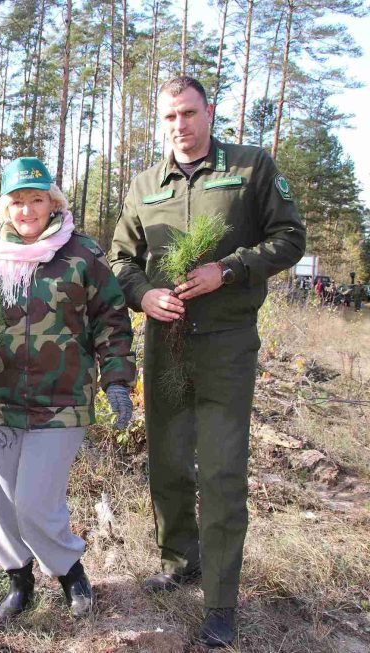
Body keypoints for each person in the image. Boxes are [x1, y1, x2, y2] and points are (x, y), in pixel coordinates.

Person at [110, 76, 305, 648]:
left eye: (190, 113)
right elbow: (121, 257)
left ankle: (221, 602)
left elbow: (290, 237)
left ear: (209, 111)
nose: (180, 126)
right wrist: (143, 294)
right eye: (170, 117)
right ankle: (180, 561)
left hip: (225, 343)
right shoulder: (146, 183)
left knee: (221, 472)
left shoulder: (251, 168)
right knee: (167, 461)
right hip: (163, 340)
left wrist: (232, 268)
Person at [0, 157, 136, 621]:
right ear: (4, 209)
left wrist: (117, 382)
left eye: (36, 200)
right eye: (17, 202)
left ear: (54, 203)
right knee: (2, 501)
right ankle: (19, 581)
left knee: (34, 501)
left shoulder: (81, 255)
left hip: (63, 403)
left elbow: (112, 321)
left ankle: (71, 571)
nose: (27, 210)